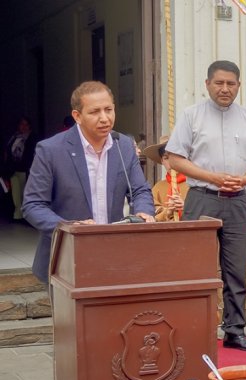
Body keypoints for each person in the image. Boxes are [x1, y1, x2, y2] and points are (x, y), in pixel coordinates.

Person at [166, 60, 246, 352]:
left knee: (236, 269)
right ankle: (193, 331)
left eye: (231, 84)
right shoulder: (191, 116)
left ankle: (235, 331)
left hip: (237, 202)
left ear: (239, 86)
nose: (225, 89)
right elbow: (175, 157)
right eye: (219, 83)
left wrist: (245, 179)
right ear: (208, 84)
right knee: (195, 268)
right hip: (201, 198)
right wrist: (211, 176)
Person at [22, 81, 155, 283]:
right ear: (77, 116)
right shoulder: (51, 150)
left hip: (115, 255)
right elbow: (33, 205)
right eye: (94, 112)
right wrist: (69, 227)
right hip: (66, 259)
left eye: (109, 110)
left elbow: (140, 190)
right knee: (73, 316)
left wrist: (144, 212)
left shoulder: (124, 145)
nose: (104, 118)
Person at [144, 136, 189, 222]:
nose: (171, 163)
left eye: (175, 157)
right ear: (161, 160)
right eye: (166, 158)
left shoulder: (194, 185)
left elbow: (204, 213)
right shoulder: (157, 188)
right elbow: (151, 216)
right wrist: (168, 211)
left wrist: (185, 207)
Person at [3, 117, 38, 221]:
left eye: (26, 124)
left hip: (25, 168)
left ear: (29, 126)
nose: (23, 127)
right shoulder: (14, 137)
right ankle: (18, 214)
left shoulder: (32, 137)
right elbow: (8, 150)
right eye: (21, 124)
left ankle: (25, 215)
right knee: (15, 192)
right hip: (13, 168)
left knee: (24, 191)